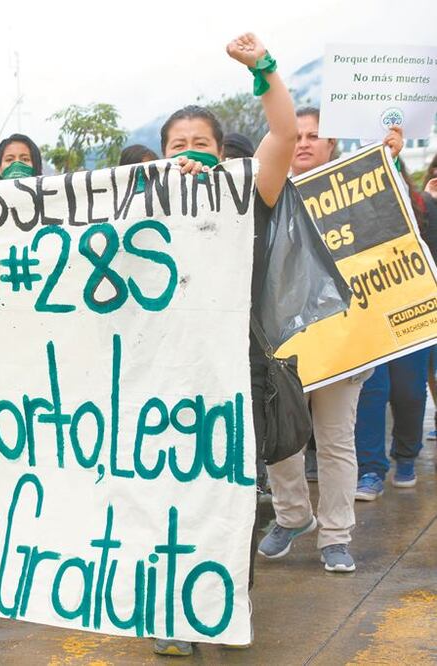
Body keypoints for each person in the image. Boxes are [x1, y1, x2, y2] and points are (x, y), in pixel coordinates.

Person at [154, 32, 297, 657]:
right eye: (177, 145)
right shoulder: (139, 206)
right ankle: (171, 616)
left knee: (234, 493)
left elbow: (286, 135)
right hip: (159, 369)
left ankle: (222, 602)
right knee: (166, 490)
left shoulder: (250, 193)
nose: (188, 154)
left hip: (238, 368)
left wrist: (263, 69)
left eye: (200, 144)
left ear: (223, 152)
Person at [257, 108, 405, 573]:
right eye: (296, 135)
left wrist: (391, 164)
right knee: (284, 439)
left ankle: (336, 536)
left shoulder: (356, 192)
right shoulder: (269, 191)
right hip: (289, 341)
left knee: (337, 441)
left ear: (332, 145)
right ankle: (292, 517)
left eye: (314, 136)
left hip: (344, 339)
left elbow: (392, 225)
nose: (303, 142)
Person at [354, 154, 432, 498]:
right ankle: (370, 469)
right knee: (371, 392)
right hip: (367, 316)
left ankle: (405, 457)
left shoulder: (425, 211)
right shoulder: (349, 216)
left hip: (412, 316)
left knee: (410, 391)